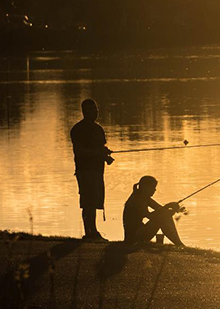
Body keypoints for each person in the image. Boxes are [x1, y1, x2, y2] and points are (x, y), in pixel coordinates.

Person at [70, 98, 114, 241]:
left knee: (94, 201)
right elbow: (80, 152)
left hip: (97, 170)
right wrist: (99, 153)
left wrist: (105, 156)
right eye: (90, 110)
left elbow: (100, 149)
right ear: (84, 112)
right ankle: (89, 232)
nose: (94, 113)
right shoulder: (78, 130)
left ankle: (93, 231)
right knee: (87, 202)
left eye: (95, 110)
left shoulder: (98, 129)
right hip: (85, 170)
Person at [123, 176, 185, 246]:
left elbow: (160, 209)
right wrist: (167, 207)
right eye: (153, 187)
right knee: (162, 217)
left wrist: (172, 209)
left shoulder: (144, 197)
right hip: (133, 238)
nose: (155, 190)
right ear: (145, 187)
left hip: (138, 234)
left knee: (164, 215)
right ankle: (179, 244)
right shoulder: (137, 200)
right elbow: (150, 216)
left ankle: (179, 243)